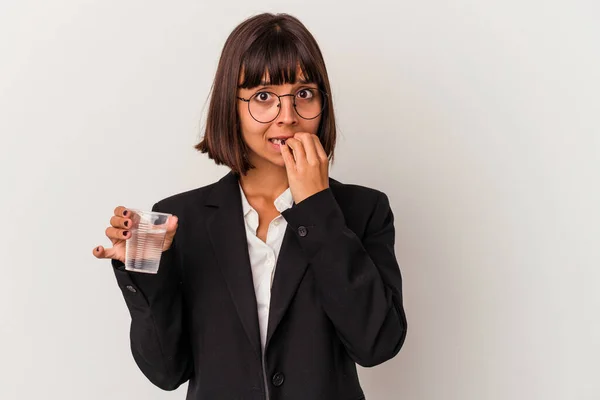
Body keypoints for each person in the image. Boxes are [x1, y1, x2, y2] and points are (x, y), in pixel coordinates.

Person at [93, 12, 407, 400]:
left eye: (304, 93)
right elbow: (166, 370)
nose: (288, 117)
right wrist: (143, 268)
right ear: (232, 106)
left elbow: (377, 345)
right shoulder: (180, 219)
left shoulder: (364, 210)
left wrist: (316, 208)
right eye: (263, 97)